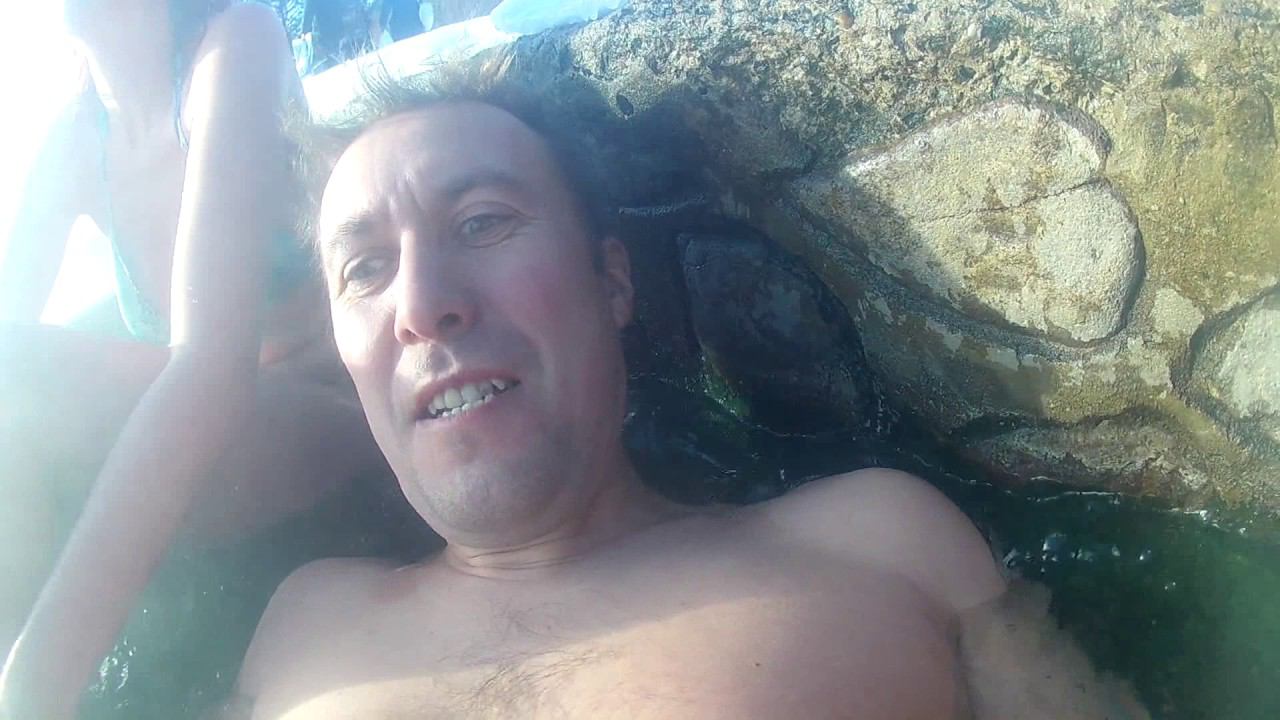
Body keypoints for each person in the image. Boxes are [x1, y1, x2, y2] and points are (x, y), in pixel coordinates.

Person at [211, 67, 1151, 718]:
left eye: (483, 222)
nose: (420, 306)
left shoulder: (882, 544)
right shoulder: (302, 622)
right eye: (365, 269)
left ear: (611, 283)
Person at [0, 1, 387, 716]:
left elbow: (212, 369)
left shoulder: (235, 43)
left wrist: (32, 687)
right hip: (220, 446)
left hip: (343, 419)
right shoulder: (73, 140)